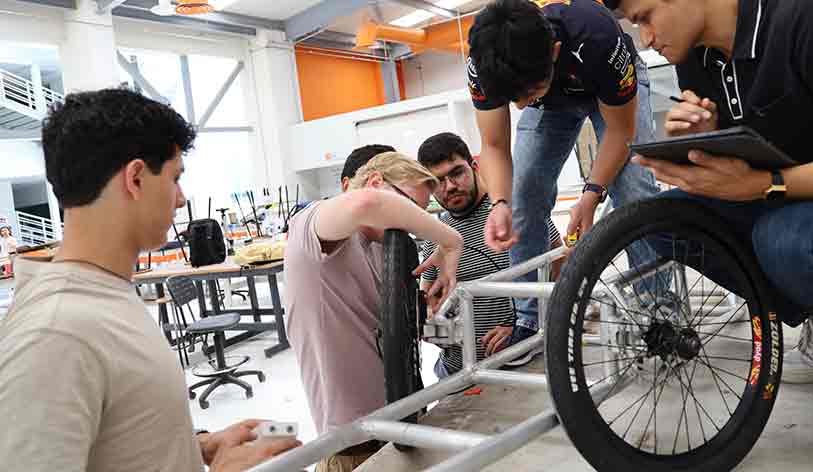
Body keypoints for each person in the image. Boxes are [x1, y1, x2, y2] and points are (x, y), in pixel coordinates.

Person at [603, 0, 813, 441]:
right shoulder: (699, 57)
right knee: (666, 220)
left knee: (785, 239)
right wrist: (708, 139)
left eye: (645, 17)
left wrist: (766, 186)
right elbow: (764, 151)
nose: (645, 39)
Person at [0, 88, 299, 471]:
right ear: (136, 179)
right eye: (175, 178)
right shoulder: (57, 333)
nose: (181, 198)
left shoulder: (101, 294)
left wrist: (197, 447)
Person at [466, 0, 661, 356]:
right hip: (554, 103)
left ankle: (659, 306)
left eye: (527, 93)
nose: (521, 106)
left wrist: (591, 194)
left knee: (633, 188)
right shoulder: (484, 61)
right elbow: (493, 144)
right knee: (523, 196)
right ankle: (529, 318)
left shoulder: (599, 38)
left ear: (554, 51)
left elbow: (621, 132)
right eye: (513, 100)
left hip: (609, 87)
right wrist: (499, 203)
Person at [283, 151, 463, 471]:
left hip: (402, 417)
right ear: (377, 181)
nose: (408, 224)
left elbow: (394, 329)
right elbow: (366, 203)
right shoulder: (310, 229)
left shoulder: (385, 249)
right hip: (353, 442)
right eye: (408, 207)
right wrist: (451, 240)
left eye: (417, 213)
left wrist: (444, 328)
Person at [417, 132, 563, 373]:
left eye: (457, 173)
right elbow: (429, 297)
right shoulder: (436, 232)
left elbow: (560, 264)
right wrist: (432, 324)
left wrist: (524, 323)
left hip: (518, 365)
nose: (450, 187)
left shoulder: (513, 212)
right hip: (455, 373)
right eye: (437, 181)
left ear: (474, 167)